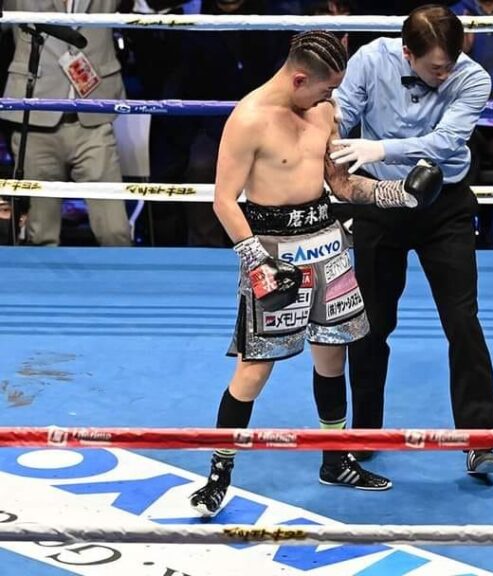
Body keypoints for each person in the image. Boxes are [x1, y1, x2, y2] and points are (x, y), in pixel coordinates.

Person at [188, 31, 443, 516]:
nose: (332, 97)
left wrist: (398, 195)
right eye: (326, 88)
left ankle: (334, 457)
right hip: (272, 252)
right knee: (254, 368)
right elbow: (223, 200)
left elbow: (341, 183)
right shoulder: (249, 119)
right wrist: (255, 260)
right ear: (299, 78)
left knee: (332, 356)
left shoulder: (323, 110)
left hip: (327, 243)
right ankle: (219, 472)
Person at [330, 4, 493, 475]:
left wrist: (381, 147)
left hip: (444, 206)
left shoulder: (473, 78)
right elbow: (338, 116)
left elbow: (447, 141)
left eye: (450, 63)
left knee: (462, 320)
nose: (444, 74)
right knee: (370, 324)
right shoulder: (371, 60)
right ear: (407, 53)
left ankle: (479, 439)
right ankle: (364, 433)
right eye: (435, 67)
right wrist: (328, 145)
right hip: (379, 200)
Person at [1, 0, 131, 247]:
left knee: (115, 232)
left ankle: (121, 274)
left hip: (93, 119)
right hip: (36, 116)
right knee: (41, 234)